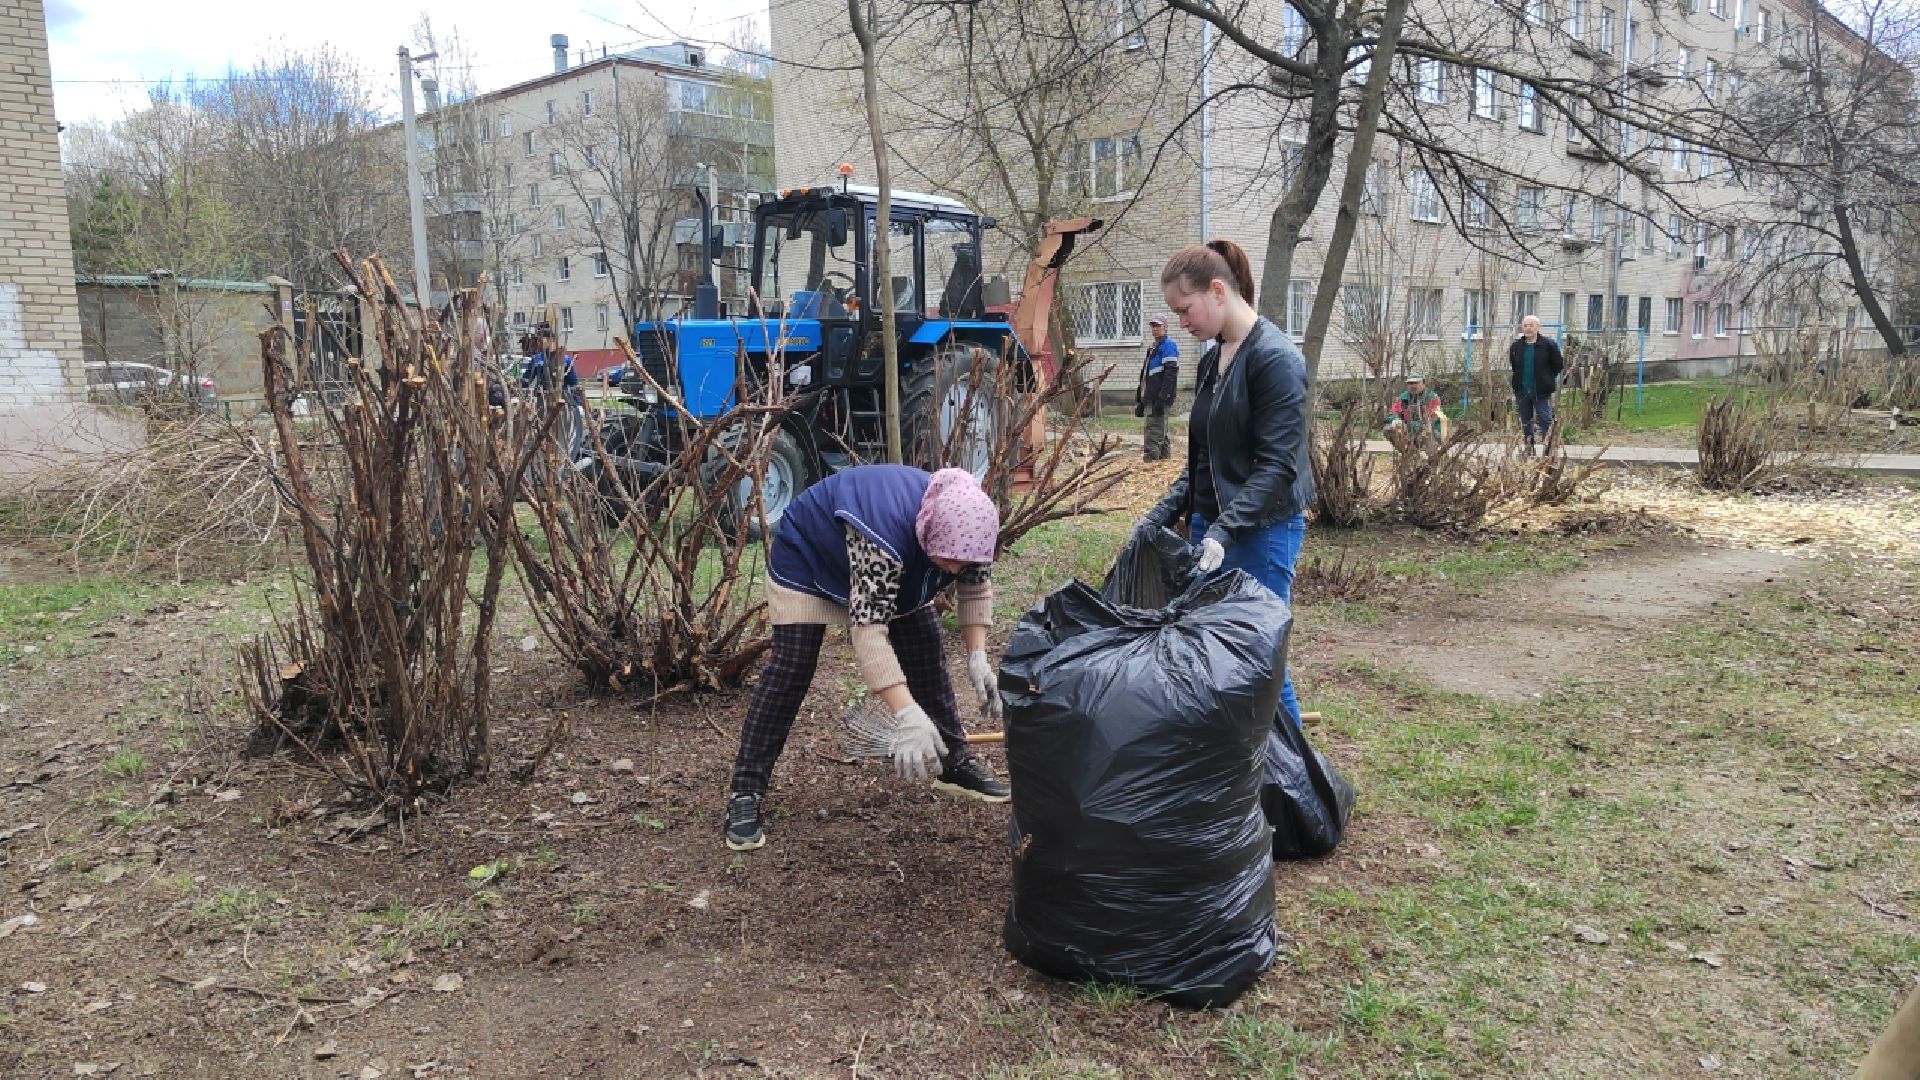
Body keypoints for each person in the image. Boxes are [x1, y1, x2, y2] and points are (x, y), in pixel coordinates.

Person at [724, 464, 1011, 852]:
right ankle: (746, 792)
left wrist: (978, 656)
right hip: (811, 559)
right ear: (927, 534)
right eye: (949, 563)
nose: (957, 571)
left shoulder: (971, 527)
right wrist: (906, 714)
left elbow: (974, 591)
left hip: (895, 568)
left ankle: (953, 762)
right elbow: (869, 632)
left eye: (964, 563)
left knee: (924, 647)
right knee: (791, 667)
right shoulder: (882, 538)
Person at [1138, 239, 1313, 732]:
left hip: (1262, 530)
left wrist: (1224, 531)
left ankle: (1293, 780)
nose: (1182, 322)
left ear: (1218, 291)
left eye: (1185, 308)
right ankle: (1232, 770)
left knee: (1259, 652)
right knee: (1212, 649)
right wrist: (1161, 515)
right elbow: (1202, 461)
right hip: (1213, 527)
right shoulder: (1213, 360)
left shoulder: (1275, 359)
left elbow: (1278, 466)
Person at [1509, 315, 1564, 453]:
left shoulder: (1548, 345)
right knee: (1525, 421)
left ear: (1538, 327)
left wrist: (1547, 379)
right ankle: (1529, 448)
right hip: (1522, 391)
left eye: (1531, 325)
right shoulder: (1516, 347)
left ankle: (1549, 450)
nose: (1528, 328)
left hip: (1541, 391)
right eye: (1525, 325)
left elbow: (1557, 365)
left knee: (1545, 420)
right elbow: (1515, 366)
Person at [1135, 316, 1180, 462]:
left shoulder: (1168, 345)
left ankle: (1151, 461)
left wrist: (1163, 397)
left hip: (1159, 398)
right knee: (1161, 429)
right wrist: (1141, 400)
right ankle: (1165, 459)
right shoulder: (1153, 346)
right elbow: (1146, 374)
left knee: (1153, 430)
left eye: (1158, 325)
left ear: (1165, 327)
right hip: (1151, 396)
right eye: (1153, 326)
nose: (1155, 328)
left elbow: (1171, 373)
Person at [1388, 373, 1448, 443]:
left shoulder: (1432, 397)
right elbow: (1392, 412)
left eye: (1416, 383)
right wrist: (1395, 419)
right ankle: (1406, 451)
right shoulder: (1403, 397)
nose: (1413, 386)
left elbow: (1432, 418)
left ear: (1423, 383)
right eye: (1410, 383)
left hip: (1431, 430)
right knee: (1388, 429)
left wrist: (1412, 425)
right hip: (1407, 428)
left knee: (1426, 433)